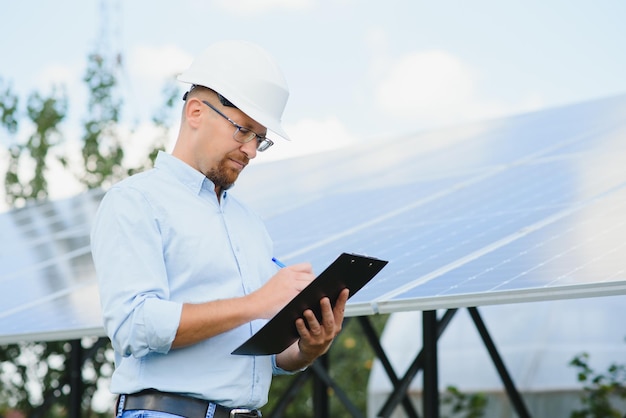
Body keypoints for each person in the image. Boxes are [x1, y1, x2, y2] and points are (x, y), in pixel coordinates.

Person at [90, 40, 349, 418]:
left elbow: (264, 355)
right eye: (243, 130)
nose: (251, 150)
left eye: (260, 138)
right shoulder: (135, 201)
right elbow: (134, 327)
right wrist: (256, 302)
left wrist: (307, 349)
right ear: (196, 111)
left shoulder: (249, 224)